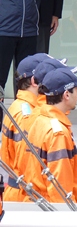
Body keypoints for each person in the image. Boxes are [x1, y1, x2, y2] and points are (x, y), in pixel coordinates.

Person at [24, 67, 77, 203]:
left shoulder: (39, 119)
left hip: (37, 202)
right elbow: (60, 185)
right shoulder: (58, 133)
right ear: (66, 95)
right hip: (53, 208)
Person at [1, 54, 41, 201]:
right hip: (24, 195)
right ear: (34, 81)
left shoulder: (21, 106)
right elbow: (26, 164)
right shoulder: (26, 114)